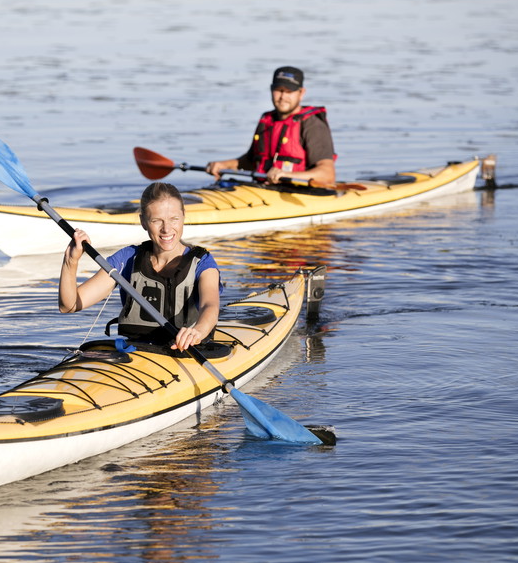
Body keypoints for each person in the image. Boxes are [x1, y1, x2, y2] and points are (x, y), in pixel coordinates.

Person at [59, 182, 222, 352]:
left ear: (183, 217)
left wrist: (198, 331)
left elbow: (210, 305)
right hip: (137, 352)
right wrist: (71, 261)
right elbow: (69, 305)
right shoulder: (127, 259)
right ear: (143, 222)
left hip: (185, 351)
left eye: (174, 219)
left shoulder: (203, 262)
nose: (166, 229)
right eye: (156, 221)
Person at [205, 66, 336, 186]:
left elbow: (327, 174)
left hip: (300, 192)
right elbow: (250, 162)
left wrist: (288, 175)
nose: (283, 97)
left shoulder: (312, 124)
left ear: (301, 93)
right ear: (271, 90)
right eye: (279, 90)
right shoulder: (267, 120)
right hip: (264, 189)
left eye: (289, 92)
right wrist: (224, 165)